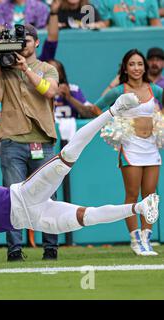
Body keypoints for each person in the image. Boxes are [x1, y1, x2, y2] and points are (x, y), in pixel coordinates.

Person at [0, 93, 160, 276]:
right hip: (30, 219)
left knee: (67, 156)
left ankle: (113, 110)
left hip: (24, 197)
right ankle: (140, 207)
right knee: (86, 217)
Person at [0, 24, 60, 261]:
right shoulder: (3, 69)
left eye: (26, 40)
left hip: (42, 140)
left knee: (47, 195)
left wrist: (25, 69)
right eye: (18, 41)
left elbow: (50, 92)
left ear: (37, 42)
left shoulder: (47, 68)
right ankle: (14, 249)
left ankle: (50, 247)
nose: (22, 45)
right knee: (13, 198)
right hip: (12, 140)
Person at [94, 49, 163, 256]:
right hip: (130, 148)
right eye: (132, 64)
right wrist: (116, 124)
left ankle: (146, 238)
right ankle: (135, 239)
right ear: (125, 68)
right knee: (133, 195)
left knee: (151, 195)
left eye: (140, 64)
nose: (136, 68)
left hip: (151, 146)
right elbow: (97, 108)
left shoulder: (154, 89)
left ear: (144, 67)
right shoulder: (119, 91)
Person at [96, 0, 162, 27]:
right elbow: (105, 24)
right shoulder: (107, 1)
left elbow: (156, 26)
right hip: (117, 42)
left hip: (142, 42)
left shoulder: (149, 1)